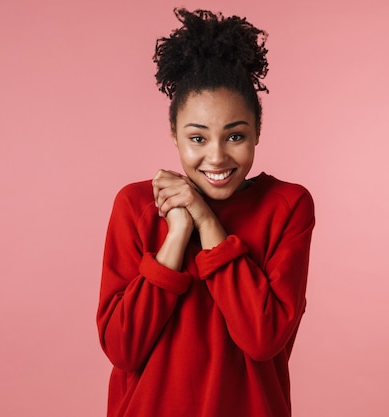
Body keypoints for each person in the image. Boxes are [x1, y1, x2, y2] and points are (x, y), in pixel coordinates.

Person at [97, 8, 315, 417]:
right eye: (197, 137)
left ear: (257, 133)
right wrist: (177, 233)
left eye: (235, 135)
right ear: (174, 136)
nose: (216, 156)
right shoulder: (136, 206)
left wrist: (207, 220)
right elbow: (122, 348)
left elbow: (263, 337)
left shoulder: (288, 206)